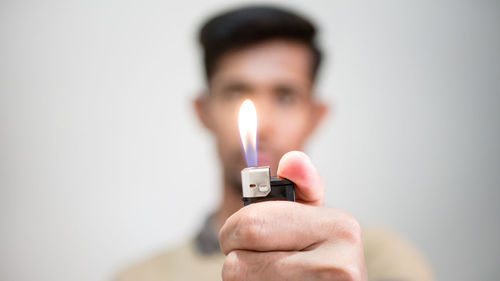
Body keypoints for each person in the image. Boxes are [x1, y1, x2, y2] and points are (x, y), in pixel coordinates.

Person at [115, 5, 433, 281]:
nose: (263, 123)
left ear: (316, 116)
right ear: (203, 111)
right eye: (236, 92)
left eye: (285, 96)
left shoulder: (374, 257)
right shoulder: (139, 276)